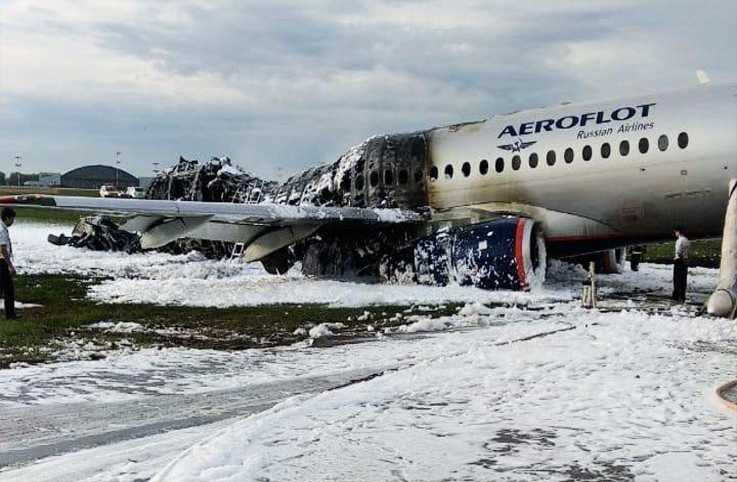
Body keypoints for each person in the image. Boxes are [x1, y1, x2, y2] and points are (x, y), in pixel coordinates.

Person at [0, 207, 17, 319]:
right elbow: (3, 249)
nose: (12, 221)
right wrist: (10, 266)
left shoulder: (2, 228)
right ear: (7, 218)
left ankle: (10, 314)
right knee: (9, 289)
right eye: (12, 219)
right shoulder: (2, 230)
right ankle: (10, 315)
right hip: (1, 262)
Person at [672, 226, 690, 302]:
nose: (675, 234)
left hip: (679, 260)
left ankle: (676, 295)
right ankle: (682, 295)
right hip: (685, 261)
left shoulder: (679, 241)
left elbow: (678, 252)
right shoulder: (687, 240)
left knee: (677, 279)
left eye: (675, 232)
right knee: (683, 279)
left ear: (678, 232)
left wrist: (678, 257)